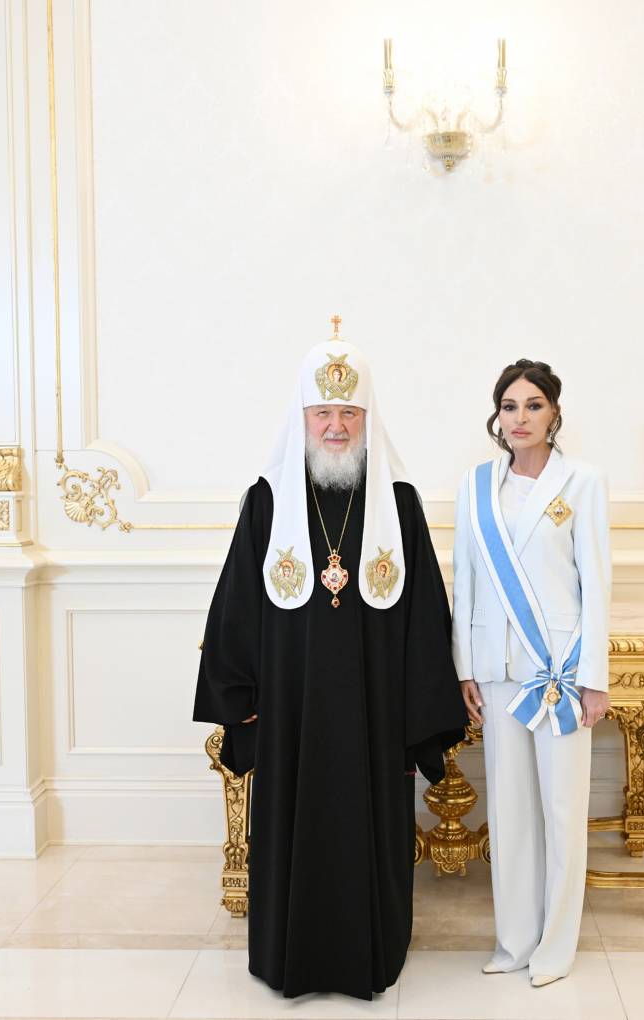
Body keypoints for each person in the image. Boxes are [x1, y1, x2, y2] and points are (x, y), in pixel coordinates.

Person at [193, 329, 467, 1001]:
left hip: (374, 711)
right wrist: (239, 691)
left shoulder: (398, 503)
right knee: (291, 823)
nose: (337, 426)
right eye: (324, 413)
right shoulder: (268, 500)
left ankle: (372, 953)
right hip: (291, 708)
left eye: (349, 413)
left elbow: (424, 615)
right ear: (303, 417)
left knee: (369, 822)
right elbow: (236, 604)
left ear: (369, 419)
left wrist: (419, 708)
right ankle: (287, 955)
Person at [452, 359, 611, 987]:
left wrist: (594, 676)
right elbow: (465, 579)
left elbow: (595, 582)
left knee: (563, 810)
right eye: (510, 406)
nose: (521, 418)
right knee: (511, 811)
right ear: (498, 415)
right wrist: (465, 666)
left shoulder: (583, 482)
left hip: (558, 670)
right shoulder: (476, 485)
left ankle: (556, 946)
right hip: (497, 669)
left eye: (534, 405)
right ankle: (515, 940)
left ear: (554, 413)